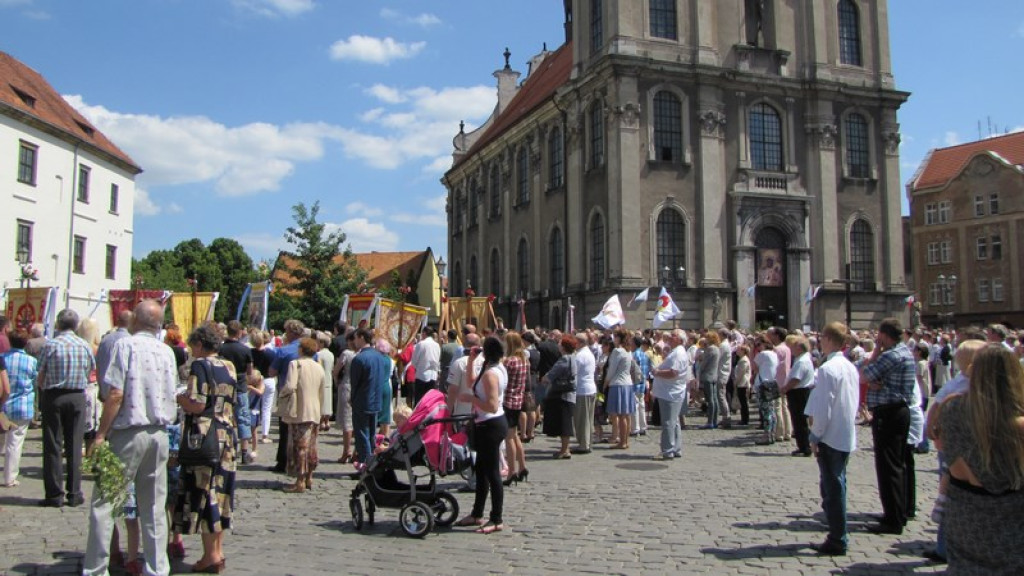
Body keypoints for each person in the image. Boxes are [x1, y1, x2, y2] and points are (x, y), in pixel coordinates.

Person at [83, 300, 178, 576]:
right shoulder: (166, 352)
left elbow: (115, 394)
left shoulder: (125, 346)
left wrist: (101, 434)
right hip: (158, 432)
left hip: (128, 431)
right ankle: (157, 567)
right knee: (154, 505)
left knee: (105, 502)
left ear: (136, 320)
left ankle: (96, 569)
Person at [934, 344, 1024, 574]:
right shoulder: (1018, 423)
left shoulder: (952, 408)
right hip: (1012, 521)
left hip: (965, 516)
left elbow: (940, 443)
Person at [173, 323, 238, 573]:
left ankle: (210, 555)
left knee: (205, 494)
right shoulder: (228, 365)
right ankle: (218, 552)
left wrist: (178, 398)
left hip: (205, 437)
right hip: (226, 436)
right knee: (221, 495)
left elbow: (197, 404)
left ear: (199, 344)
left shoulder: (200, 366)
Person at [804, 322, 860, 556]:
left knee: (833, 488)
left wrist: (815, 435)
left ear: (828, 339)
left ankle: (838, 537)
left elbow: (824, 408)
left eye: (821, 337)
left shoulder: (828, 369)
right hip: (845, 433)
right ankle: (838, 532)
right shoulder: (849, 366)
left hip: (830, 435)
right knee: (838, 484)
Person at [860, 317, 917, 535]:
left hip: (889, 413)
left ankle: (893, 518)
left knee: (888, 466)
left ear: (884, 335)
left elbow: (863, 375)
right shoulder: (903, 352)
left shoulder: (891, 355)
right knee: (898, 463)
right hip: (899, 411)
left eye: (879, 335)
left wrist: (875, 354)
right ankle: (899, 511)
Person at [36, 309, 95, 507]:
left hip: (54, 395)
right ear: (75, 325)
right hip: (77, 395)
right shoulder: (84, 345)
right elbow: (90, 371)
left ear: (59, 325)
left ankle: (54, 494)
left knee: (53, 444)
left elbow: (41, 373)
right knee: (75, 445)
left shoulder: (51, 344)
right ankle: (75, 493)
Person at [455, 336, 509, 534]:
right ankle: (477, 513)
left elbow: (492, 406)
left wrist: (471, 399)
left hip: (491, 425)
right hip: (485, 424)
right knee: (481, 471)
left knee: (492, 473)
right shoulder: (490, 368)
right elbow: (471, 381)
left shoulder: (491, 374)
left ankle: (496, 518)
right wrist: (470, 360)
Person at [278, 337, 324, 493]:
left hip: (300, 410)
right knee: (312, 446)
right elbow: (322, 391)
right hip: (315, 410)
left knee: (300, 447)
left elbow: (290, 386)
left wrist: (282, 395)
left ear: (301, 350)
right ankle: (310, 477)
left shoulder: (296, 364)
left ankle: (300, 481)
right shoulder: (319, 367)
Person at [269, 319, 305, 473]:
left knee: (285, 429)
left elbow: (272, 372)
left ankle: (283, 460)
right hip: (304, 392)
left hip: (287, 392)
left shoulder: (283, 351)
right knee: (301, 428)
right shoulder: (310, 350)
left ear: (291, 332)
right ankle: (299, 460)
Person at [348, 328, 387, 465]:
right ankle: (371, 463)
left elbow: (355, 383)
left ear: (362, 338)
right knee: (371, 435)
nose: (354, 341)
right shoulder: (380, 357)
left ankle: (365, 464)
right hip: (376, 401)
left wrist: (352, 399)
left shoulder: (359, 359)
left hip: (363, 401)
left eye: (356, 338)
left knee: (362, 435)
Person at [218, 321, 255, 464]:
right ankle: (244, 452)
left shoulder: (221, 349)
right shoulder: (245, 350)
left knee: (223, 417)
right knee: (243, 418)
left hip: (224, 385)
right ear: (239, 332)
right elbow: (250, 371)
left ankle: (223, 448)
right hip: (240, 386)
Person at [2, 331, 36, 487]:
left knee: (2, 441)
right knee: (15, 443)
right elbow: (36, 381)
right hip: (22, 405)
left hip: (3, 405)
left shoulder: (3, 359)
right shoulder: (31, 361)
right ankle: (10, 477)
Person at [651, 330, 690, 460]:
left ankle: (667, 450)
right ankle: (676, 448)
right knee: (674, 421)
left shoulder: (678, 353)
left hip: (670, 392)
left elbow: (673, 372)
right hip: (671, 391)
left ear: (680, 340)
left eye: (674, 335)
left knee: (668, 422)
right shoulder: (676, 351)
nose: (670, 337)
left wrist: (657, 372)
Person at [541, 335, 578, 459]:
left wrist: (545, 378)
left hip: (562, 394)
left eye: (560, 344)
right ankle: (565, 448)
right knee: (565, 422)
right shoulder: (574, 357)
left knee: (564, 424)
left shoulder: (564, 359)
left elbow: (551, 375)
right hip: (570, 394)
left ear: (564, 346)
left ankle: (564, 449)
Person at [501, 332, 529, 484]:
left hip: (508, 401)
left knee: (509, 437)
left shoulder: (510, 361)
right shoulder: (523, 360)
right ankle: (523, 467)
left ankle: (511, 471)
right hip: (518, 401)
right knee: (515, 435)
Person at [782, 335, 815, 457]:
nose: (792, 349)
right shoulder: (802, 358)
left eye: (794, 347)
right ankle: (803, 445)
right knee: (799, 420)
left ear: (800, 348)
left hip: (799, 392)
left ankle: (804, 447)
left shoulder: (802, 361)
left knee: (799, 420)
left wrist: (785, 388)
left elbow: (796, 379)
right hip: (800, 391)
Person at [604, 330, 635, 450]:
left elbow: (611, 370)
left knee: (621, 415)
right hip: (627, 383)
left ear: (618, 338)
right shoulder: (628, 351)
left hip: (618, 384)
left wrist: (606, 382)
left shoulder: (617, 351)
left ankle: (622, 442)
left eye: (615, 336)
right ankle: (625, 441)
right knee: (626, 415)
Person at [572, 332, 597, 455]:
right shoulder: (589, 353)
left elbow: (574, 372)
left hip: (582, 390)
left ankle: (584, 444)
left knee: (582, 419)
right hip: (590, 388)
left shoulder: (580, 355)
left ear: (580, 342)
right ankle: (587, 442)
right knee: (588, 418)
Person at [333, 331, 356, 463]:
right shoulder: (361, 353)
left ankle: (346, 451)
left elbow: (336, 371)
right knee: (356, 421)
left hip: (346, 385)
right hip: (359, 388)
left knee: (347, 421)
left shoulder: (347, 354)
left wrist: (337, 381)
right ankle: (355, 451)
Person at [696, 331, 722, 429]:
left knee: (710, 400)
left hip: (708, 375)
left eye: (707, 337)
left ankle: (710, 421)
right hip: (714, 375)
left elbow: (704, 363)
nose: (705, 339)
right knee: (714, 399)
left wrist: (699, 371)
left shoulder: (710, 349)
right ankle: (714, 421)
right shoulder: (717, 348)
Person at [410, 327, 440, 405]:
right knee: (429, 401)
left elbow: (414, 360)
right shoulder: (437, 345)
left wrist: (418, 367)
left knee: (419, 401)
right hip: (433, 375)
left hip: (421, 374)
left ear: (424, 333)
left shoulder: (421, 344)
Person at [315, 331, 334, 433]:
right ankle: (327, 421)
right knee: (328, 402)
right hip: (329, 379)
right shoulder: (331, 354)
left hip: (321, 380)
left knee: (321, 402)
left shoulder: (318, 354)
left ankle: (321, 422)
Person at [733, 345, 752, 425]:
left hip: (743, 383)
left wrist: (736, 382)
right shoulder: (741, 359)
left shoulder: (744, 360)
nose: (737, 351)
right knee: (742, 402)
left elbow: (741, 373)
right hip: (741, 382)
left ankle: (745, 419)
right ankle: (744, 418)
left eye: (739, 349)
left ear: (743, 351)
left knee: (743, 402)